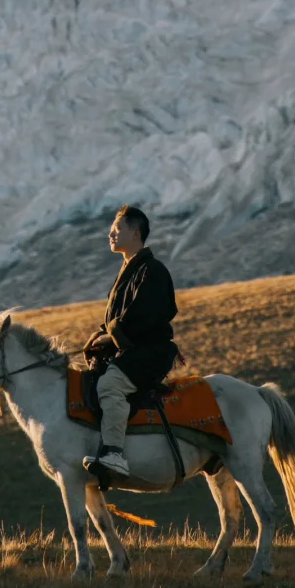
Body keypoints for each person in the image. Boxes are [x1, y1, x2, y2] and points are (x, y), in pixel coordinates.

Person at [81, 204, 179, 478]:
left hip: (149, 352)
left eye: (117, 229)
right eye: (111, 231)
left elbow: (142, 317)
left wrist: (109, 336)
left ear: (135, 233)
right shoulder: (130, 270)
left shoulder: (153, 271)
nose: (110, 235)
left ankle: (114, 453)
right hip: (131, 349)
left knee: (110, 385)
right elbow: (117, 319)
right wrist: (98, 338)